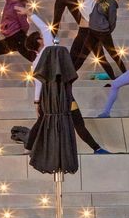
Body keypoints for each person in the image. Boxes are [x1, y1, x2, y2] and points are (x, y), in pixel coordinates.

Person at [22, 10, 109, 155]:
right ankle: (96, 148)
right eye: (41, 37)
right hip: (64, 94)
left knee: (42, 121)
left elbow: (38, 83)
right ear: (39, 41)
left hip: (47, 97)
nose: (43, 37)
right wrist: (30, 14)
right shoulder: (48, 50)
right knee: (77, 122)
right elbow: (45, 28)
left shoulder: (35, 62)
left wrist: (37, 102)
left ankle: (29, 147)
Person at [76, 0, 128, 78]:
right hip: (92, 31)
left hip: (103, 33)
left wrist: (107, 30)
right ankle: (71, 74)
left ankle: (126, 75)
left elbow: (112, 21)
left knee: (113, 55)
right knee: (83, 53)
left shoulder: (112, 4)